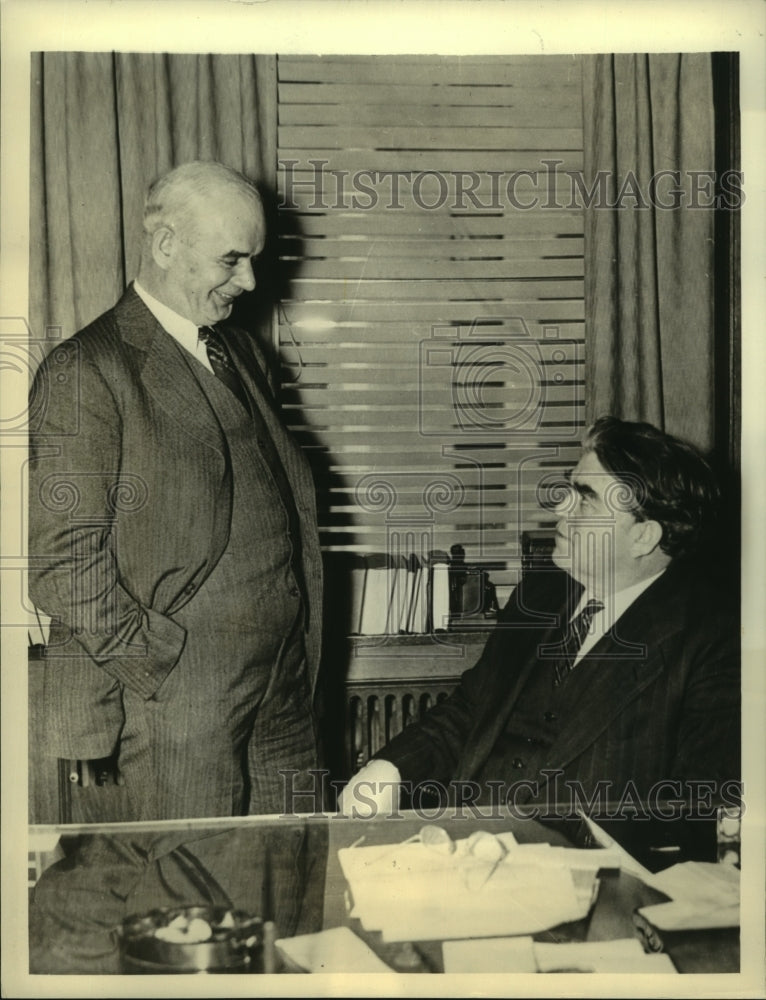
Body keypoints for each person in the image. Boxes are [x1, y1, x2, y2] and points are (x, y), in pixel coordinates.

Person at [28, 160, 324, 821]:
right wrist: (161, 664)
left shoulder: (241, 354)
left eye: (254, 260)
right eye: (232, 260)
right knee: (193, 895)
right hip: (178, 704)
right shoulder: (87, 369)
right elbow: (63, 561)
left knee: (291, 880)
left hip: (284, 687)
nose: (248, 282)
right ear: (166, 247)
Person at [340, 417, 740, 818]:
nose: (559, 506)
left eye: (585, 498)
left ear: (643, 536)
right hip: (463, 840)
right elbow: (470, 709)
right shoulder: (542, 591)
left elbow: (696, 806)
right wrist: (388, 770)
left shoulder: (714, 640)